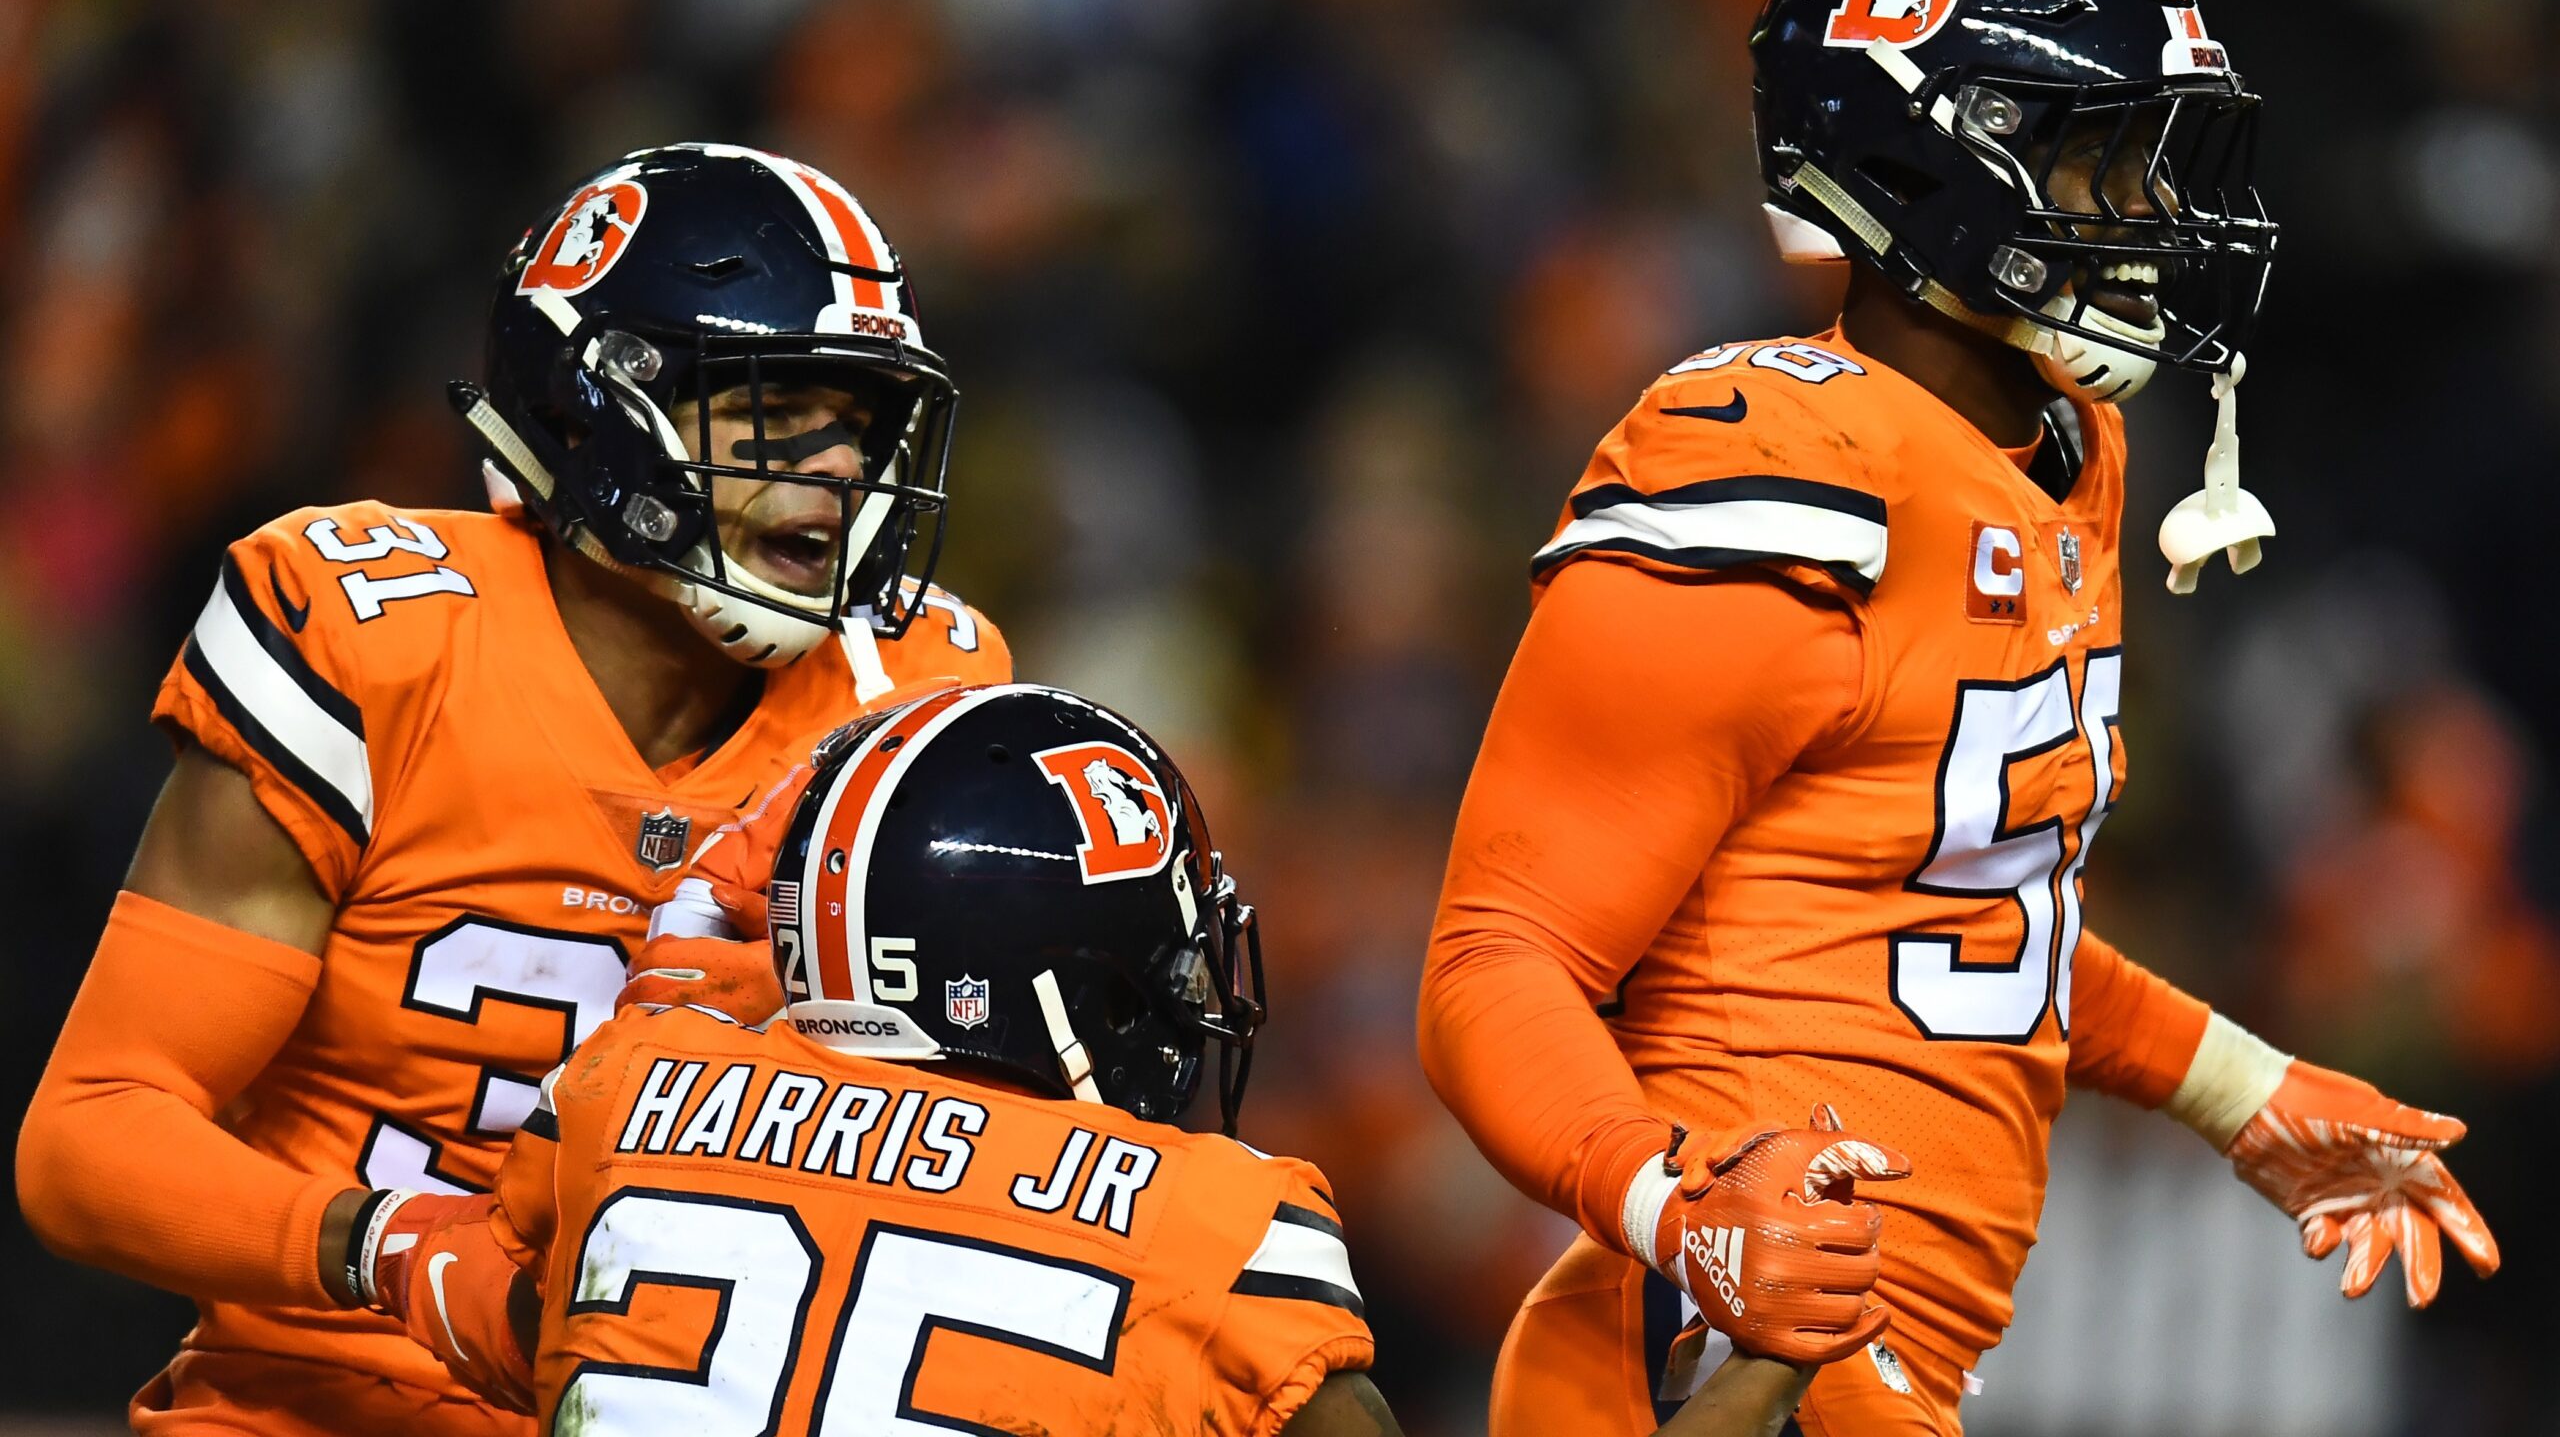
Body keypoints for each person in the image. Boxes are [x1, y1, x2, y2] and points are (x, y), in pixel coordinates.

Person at [1415, 0, 2500, 1437]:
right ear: (1924, 162)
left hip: (1888, 1364)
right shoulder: (1778, 459)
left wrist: (2242, 1092)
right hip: (1726, 1354)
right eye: (2096, 156)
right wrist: (1678, 1209)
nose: (2149, 212)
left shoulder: (2074, 448)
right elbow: (1494, 961)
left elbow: (1972, 911)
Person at [15, 143, 1012, 1436]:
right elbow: (92, 1139)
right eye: (772, 411)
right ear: (590, 408)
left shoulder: (917, 689)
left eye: (865, 423)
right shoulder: (376, 635)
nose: (836, 471)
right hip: (326, 1401)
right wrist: (398, 1252)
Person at [342, 683, 1908, 1436]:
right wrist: (1760, 1353)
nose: (1182, 1006)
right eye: (1155, 967)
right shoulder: (1207, 1222)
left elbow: (502, 1300)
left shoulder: (634, 1096)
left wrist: (365, 1238)